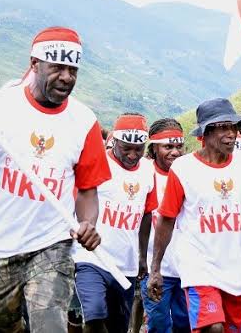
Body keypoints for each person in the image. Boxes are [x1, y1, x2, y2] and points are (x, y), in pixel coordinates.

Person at [0, 27, 111, 332]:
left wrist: (88, 223)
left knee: (49, 322)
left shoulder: (84, 122)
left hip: (52, 243)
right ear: (35, 64)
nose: (66, 77)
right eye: (58, 67)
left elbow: (87, 190)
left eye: (73, 70)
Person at [148, 98, 241, 333]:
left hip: (236, 269)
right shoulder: (184, 169)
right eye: (222, 127)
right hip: (198, 266)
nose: (231, 134)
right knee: (212, 327)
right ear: (204, 133)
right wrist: (155, 269)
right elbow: (166, 220)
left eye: (234, 127)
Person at [72, 113, 156, 332]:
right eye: (126, 148)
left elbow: (147, 214)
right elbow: (77, 198)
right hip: (91, 257)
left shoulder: (148, 170)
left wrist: (142, 256)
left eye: (138, 149)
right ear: (115, 141)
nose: (132, 155)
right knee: (94, 315)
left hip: (126, 265)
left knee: (117, 326)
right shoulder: (97, 161)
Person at [140, 118, 190, 333]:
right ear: (153, 148)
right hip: (155, 267)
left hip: (188, 268)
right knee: (159, 324)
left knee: (186, 324)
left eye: (179, 146)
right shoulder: (143, 173)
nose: (175, 152)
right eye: (168, 147)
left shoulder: (191, 173)